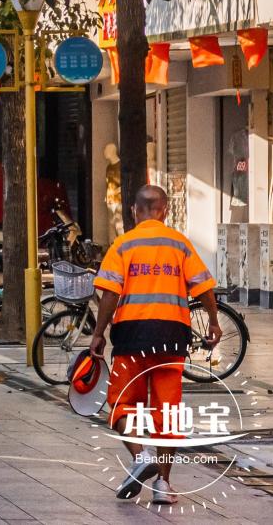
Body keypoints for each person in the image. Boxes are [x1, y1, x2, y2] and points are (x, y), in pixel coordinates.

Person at [89, 184, 220, 507]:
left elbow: (110, 293)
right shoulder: (179, 244)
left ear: (135, 211)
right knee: (167, 412)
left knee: (121, 404)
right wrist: (214, 322)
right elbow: (203, 287)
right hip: (171, 337)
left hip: (132, 336)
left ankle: (140, 456)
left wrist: (98, 332)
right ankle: (163, 483)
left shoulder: (123, 244)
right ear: (166, 211)